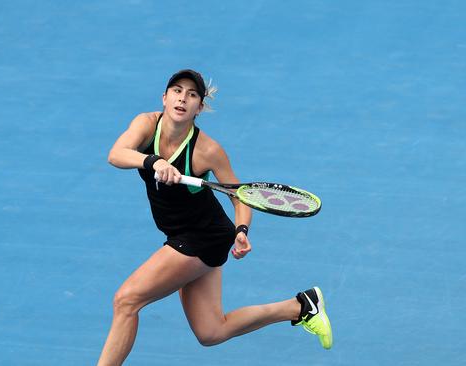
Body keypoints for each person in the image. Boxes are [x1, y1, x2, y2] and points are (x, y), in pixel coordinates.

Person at [97, 69, 332, 365]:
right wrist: (153, 161)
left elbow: (240, 193)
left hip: (201, 238)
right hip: (183, 233)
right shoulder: (146, 124)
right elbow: (116, 154)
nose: (183, 98)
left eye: (192, 95)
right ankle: (301, 307)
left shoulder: (206, 150)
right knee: (211, 331)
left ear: (199, 107)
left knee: (127, 300)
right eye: (177, 91)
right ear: (165, 97)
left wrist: (242, 230)